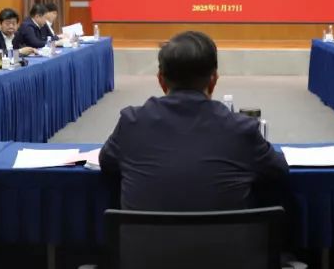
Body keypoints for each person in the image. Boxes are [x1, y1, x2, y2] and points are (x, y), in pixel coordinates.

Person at [100, 31, 288, 211]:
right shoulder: (241, 129)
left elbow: (108, 165)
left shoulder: (131, 123)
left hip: (144, 235)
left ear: (161, 80)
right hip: (227, 235)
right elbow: (278, 171)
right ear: (213, 80)